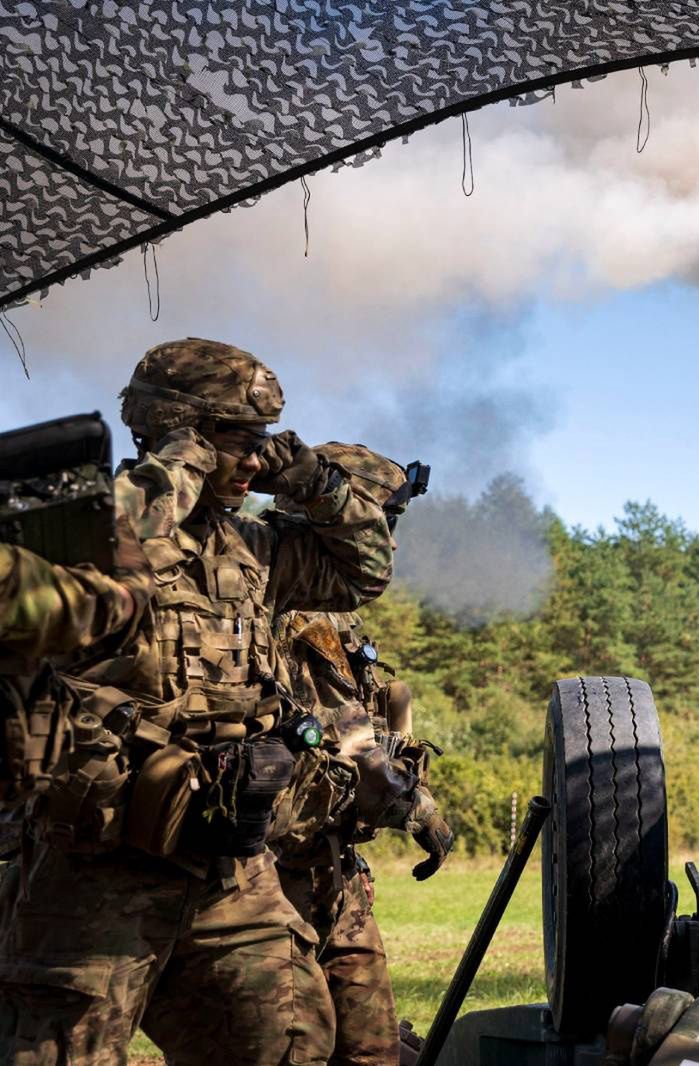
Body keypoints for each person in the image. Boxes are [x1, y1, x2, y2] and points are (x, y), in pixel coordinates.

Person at [0, 337, 395, 1066]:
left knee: (290, 1042)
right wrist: (182, 458)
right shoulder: (84, 524)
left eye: (262, 443)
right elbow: (123, 533)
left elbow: (365, 573)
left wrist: (312, 477)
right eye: (236, 442)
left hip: (227, 863)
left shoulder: (255, 547)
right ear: (177, 432)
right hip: (98, 866)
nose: (253, 461)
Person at [272, 445, 453, 1066]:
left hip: (334, 875)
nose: (389, 548)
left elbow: (373, 731)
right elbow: (339, 740)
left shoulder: (333, 626)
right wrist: (410, 803)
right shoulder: (256, 607)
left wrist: (412, 797)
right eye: (379, 526)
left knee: (374, 1052)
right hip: (268, 886)